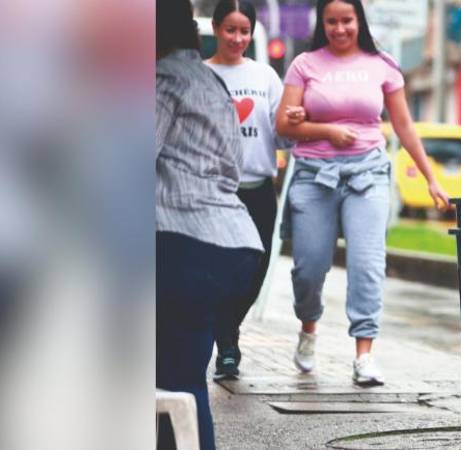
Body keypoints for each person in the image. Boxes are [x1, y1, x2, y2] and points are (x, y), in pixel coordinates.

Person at [276, 0, 449, 386]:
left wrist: (431, 178)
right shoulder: (304, 64)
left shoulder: (382, 64)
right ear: (323, 24)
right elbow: (284, 126)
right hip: (313, 177)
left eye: (347, 21)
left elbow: (404, 126)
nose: (340, 29)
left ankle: (364, 354)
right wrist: (325, 130)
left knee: (367, 265)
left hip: (367, 174)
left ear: (359, 21)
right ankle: (308, 329)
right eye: (332, 22)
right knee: (309, 268)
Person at [156, 0, 263, 448]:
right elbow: (232, 168)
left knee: (171, 378)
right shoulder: (214, 82)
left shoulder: (160, 79)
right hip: (236, 246)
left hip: (186, 244)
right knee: (181, 380)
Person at [202, 0, 292, 380]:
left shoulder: (266, 78)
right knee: (217, 269)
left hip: (258, 190)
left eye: (244, 31)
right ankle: (227, 345)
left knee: (255, 269)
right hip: (213, 190)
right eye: (230, 30)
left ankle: (224, 329)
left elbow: (283, 135)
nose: (237, 38)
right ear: (217, 29)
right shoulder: (198, 76)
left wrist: (295, 121)